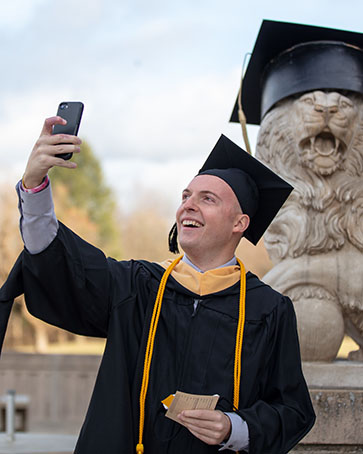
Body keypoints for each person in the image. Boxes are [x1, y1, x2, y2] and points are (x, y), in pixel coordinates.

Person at [0, 117, 315, 453]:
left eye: (208, 199)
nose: (188, 205)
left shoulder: (267, 309)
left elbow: (292, 410)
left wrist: (233, 428)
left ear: (240, 223)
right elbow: (60, 264)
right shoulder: (138, 287)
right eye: (186, 195)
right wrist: (34, 187)